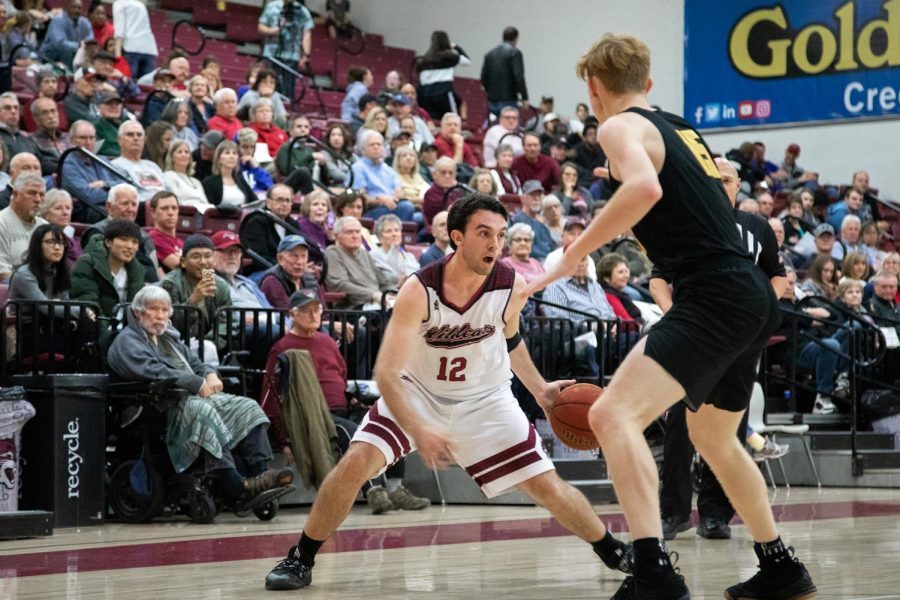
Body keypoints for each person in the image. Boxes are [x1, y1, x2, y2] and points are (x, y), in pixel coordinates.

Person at [526, 34, 814, 599]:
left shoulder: (617, 127)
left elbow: (643, 186)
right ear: (649, 84)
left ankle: (653, 572)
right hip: (750, 295)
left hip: (713, 292)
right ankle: (780, 565)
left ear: (593, 88)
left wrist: (573, 254)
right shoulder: (678, 125)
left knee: (611, 416)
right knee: (715, 437)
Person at [264, 194, 632, 590]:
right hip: (417, 393)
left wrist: (540, 389)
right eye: (484, 233)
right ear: (457, 237)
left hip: (486, 398)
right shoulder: (418, 290)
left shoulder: (511, 284)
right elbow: (386, 374)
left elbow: (511, 338)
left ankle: (614, 551)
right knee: (356, 462)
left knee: (547, 485)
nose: (495, 244)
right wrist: (419, 430)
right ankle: (301, 557)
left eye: (501, 235)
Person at [108, 285, 294, 510]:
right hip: (154, 407)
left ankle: (261, 475)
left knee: (248, 407)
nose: (160, 316)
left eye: (165, 310)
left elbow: (194, 362)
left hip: (186, 399)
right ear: (138, 312)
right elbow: (155, 371)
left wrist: (209, 373)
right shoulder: (127, 341)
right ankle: (236, 484)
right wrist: (196, 383)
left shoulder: (168, 337)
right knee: (202, 410)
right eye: (153, 309)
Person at [8, 223, 96, 357]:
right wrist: (82, 310)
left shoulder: (57, 272)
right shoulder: (24, 275)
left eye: (61, 243)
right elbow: (45, 307)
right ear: (37, 245)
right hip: (29, 334)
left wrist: (69, 309)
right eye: (50, 242)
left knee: (89, 327)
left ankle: (88, 367)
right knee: (82, 333)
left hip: (51, 327)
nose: (57, 247)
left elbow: (65, 304)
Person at [160, 234, 232, 355]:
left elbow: (229, 321)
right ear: (183, 262)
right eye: (196, 256)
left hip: (212, 344)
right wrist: (192, 301)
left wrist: (210, 343)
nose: (203, 262)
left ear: (214, 261)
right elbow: (168, 324)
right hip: (178, 343)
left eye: (208, 256)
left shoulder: (220, 285)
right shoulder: (171, 284)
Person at [70, 217, 146, 330]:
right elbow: (89, 304)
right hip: (100, 332)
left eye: (134, 242)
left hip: (129, 332)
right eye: (124, 239)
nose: (130, 246)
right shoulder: (87, 264)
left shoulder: (137, 270)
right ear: (108, 242)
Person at [82, 183, 161, 282]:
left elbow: (153, 272)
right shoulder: (97, 233)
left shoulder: (144, 237)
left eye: (134, 204)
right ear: (109, 207)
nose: (130, 210)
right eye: (124, 203)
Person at [324, 216, 392, 309]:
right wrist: (372, 295)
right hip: (352, 308)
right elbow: (339, 285)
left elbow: (383, 282)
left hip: (377, 303)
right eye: (349, 232)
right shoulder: (333, 252)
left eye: (357, 232)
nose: (355, 236)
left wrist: (395, 294)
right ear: (337, 236)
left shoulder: (364, 253)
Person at [350, 130, 416, 222]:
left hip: (393, 204)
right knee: (406, 207)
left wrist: (396, 196)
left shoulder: (388, 169)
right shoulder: (357, 168)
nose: (376, 147)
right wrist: (380, 200)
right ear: (363, 149)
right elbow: (358, 196)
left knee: (420, 216)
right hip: (372, 209)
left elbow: (400, 192)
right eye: (372, 145)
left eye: (379, 144)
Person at [240, 183, 300, 275]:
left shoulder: (293, 225)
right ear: (268, 203)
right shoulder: (255, 222)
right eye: (280, 200)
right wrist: (287, 267)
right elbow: (259, 258)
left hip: (290, 271)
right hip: (262, 272)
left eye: (288, 201)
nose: (284, 204)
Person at [257, 0, 313, 99]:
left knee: (288, 90)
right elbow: (261, 26)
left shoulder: (302, 11)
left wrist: (306, 55)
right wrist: (271, 31)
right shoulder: (272, 6)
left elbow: (307, 33)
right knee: (270, 86)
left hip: (292, 56)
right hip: (272, 54)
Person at [0, 173, 48, 282]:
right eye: (32, 193)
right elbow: (2, 274)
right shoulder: (1, 223)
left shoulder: (44, 226)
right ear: (15, 194)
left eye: (42, 195)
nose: (38, 199)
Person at [416, 30, 470, 120]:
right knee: (451, 119)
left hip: (425, 94)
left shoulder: (423, 60)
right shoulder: (449, 56)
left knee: (432, 120)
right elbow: (467, 61)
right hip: (443, 92)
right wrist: (456, 47)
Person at [110, 120, 167, 204]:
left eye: (139, 135)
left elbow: (166, 189)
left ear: (144, 140)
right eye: (130, 135)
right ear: (119, 140)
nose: (135, 138)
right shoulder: (115, 165)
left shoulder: (152, 166)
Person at [258, 234, 318, 310]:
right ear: (280, 259)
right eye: (294, 256)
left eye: (303, 256)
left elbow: (324, 313)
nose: (300, 262)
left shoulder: (310, 279)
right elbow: (288, 315)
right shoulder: (272, 281)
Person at [481, 27, 528, 120]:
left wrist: (490, 91)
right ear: (516, 38)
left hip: (492, 98)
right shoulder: (515, 53)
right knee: (509, 128)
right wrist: (524, 97)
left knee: (493, 126)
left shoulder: (490, 54)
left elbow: (484, 77)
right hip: (509, 98)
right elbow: (518, 76)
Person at [369, 214, 419, 289]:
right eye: (388, 231)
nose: (394, 234)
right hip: (387, 296)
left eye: (397, 230)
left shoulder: (409, 256)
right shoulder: (373, 256)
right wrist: (398, 285)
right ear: (379, 237)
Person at [162, 139, 212, 212]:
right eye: (180, 152)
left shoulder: (196, 182)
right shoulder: (168, 176)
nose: (184, 155)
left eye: (186, 152)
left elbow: (206, 203)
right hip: (184, 214)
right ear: (172, 157)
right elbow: (176, 200)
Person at [510, 180, 555, 261]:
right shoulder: (518, 220)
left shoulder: (542, 223)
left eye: (539, 195)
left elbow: (552, 246)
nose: (537, 198)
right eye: (533, 195)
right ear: (523, 198)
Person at [202, 140, 257, 207]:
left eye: (234, 153)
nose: (232, 156)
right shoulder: (209, 183)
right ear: (219, 159)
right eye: (227, 153)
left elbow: (255, 202)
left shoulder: (240, 180)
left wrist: (257, 168)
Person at [40, 0, 92, 68]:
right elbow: (60, 43)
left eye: (79, 8)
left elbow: (91, 40)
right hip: (50, 57)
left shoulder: (85, 22)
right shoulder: (58, 20)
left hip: (73, 57)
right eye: (73, 7)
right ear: (66, 7)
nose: (76, 10)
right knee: (66, 50)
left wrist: (86, 45)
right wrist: (80, 46)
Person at [40, 189, 83, 265]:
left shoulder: (73, 237)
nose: (65, 212)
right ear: (46, 213)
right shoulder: (43, 237)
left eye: (68, 208)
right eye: (58, 208)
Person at [146, 191, 183, 273]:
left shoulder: (181, 242)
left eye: (174, 208)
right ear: (153, 213)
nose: (170, 213)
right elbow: (180, 267)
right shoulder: (153, 238)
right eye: (164, 208)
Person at [296, 189, 332, 270]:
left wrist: (331, 238)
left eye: (324, 205)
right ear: (307, 208)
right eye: (315, 204)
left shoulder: (326, 228)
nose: (320, 208)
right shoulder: (300, 225)